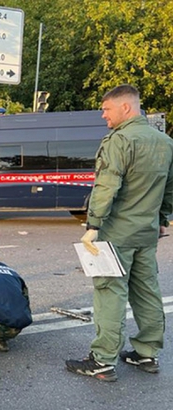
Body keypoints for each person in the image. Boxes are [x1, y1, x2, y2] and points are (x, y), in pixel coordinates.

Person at [66, 84, 173, 382]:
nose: (103, 115)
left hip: (116, 233)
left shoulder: (120, 140)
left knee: (109, 292)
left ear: (126, 108)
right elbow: (170, 187)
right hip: (147, 232)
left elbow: (106, 186)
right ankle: (147, 353)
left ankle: (102, 359)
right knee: (147, 290)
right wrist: (163, 218)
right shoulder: (165, 142)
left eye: (107, 109)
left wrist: (93, 225)